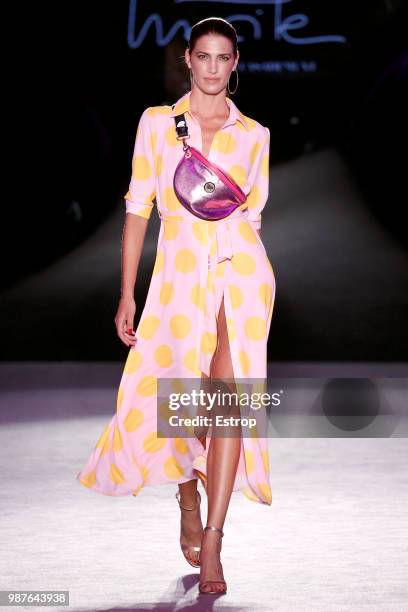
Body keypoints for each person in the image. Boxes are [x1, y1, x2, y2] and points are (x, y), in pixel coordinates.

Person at [76, 16, 276, 596]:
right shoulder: (158, 125)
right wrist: (127, 292)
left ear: (234, 65)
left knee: (229, 402)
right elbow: (139, 207)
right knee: (180, 397)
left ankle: (214, 539)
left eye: (224, 58)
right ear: (188, 59)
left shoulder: (255, 135)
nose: (213, 67)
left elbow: (250, 219)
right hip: (177, 282)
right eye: (203, 56)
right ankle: (186, 493)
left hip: (240, 278)